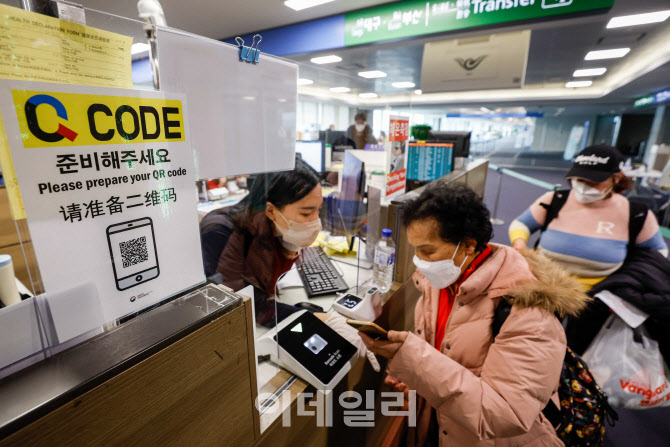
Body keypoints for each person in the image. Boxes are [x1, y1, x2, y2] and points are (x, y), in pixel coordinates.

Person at [360, 183, 590, 447]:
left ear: (468, 245)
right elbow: (444, 360)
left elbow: (505, 414)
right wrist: (414, 379)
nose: (419, 261)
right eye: (415, 249)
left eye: (428, 251)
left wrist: (412, 361)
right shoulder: (439, 282)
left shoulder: (527, 313)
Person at [509, 145, 668, 290]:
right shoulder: (555, 199)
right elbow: (521, 224)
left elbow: (658, 252)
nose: (584, 187)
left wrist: (631, 277)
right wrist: (520, 244)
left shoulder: (635, 213)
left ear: (616, 178)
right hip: (544, 285)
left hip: (601, 293)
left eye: (594, 182)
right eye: (579, 179)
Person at [214, 159, 323, 325]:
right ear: (271, 211)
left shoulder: (275, 227)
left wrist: (292, 247)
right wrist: (315, 319)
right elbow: (243, 305)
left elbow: (269, 288)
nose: (316, 221)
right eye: (307, 214)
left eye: (318, 210)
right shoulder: (222, 233)